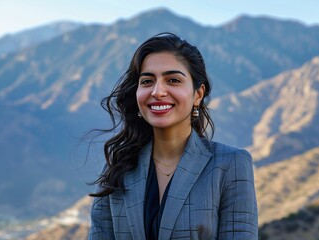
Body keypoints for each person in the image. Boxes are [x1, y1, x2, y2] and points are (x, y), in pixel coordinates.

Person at [88, 32, 258, 240]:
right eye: (147, 81)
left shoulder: (230, 164)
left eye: (173, 80)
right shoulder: (118, 167)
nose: (158, 91)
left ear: (198, 94)